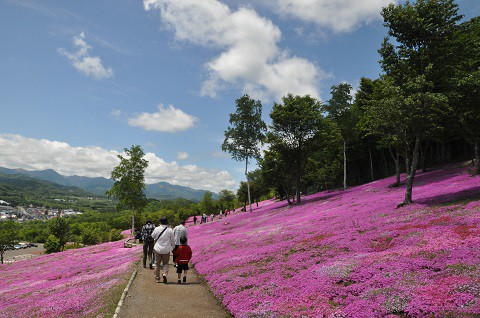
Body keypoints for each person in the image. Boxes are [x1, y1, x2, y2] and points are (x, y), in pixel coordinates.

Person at [151, 216, 175, 283]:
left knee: (157, 264)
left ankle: (157, 278)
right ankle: (164, 274)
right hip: (166, 250)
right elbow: (173, 240)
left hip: (158, 249)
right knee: (166, 263)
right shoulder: (170, 230)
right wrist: (173, 248)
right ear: (166, 222)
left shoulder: (156, 229)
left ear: (160, 222)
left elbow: (152, 236)